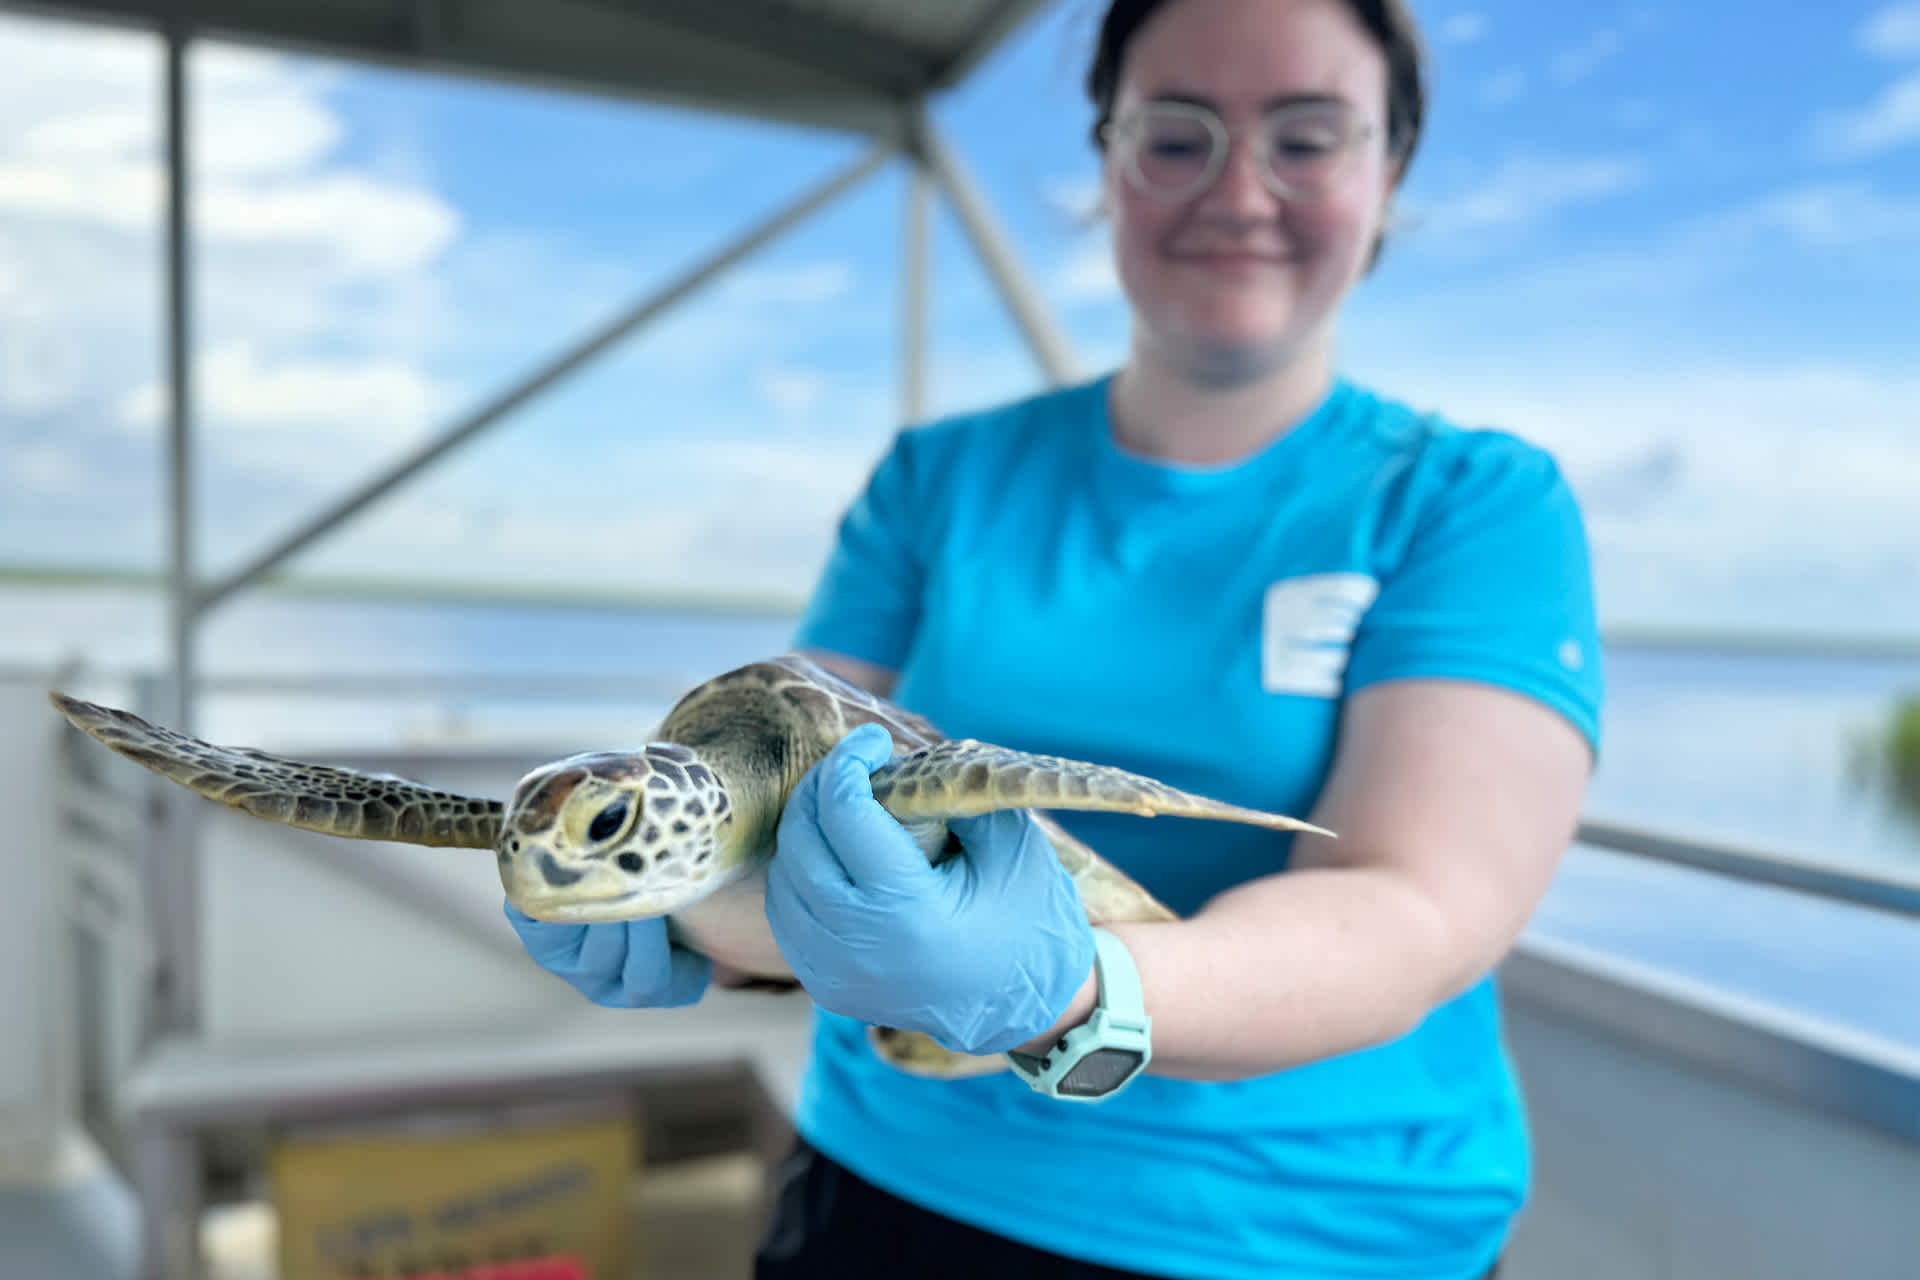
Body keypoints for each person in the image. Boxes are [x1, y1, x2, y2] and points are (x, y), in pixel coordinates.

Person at [508, 0, 1603, 1275]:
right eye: (1176, 135)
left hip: (1306, 1221)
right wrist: (691, 914)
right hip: (897, 1171)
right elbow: (775, 798)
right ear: (1108, 157)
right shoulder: (940, 479)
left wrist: (1079, 989)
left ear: (1389, 169)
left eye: (1307, 138)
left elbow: (1421, 900)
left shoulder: (1472, 502)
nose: (1240, 189)